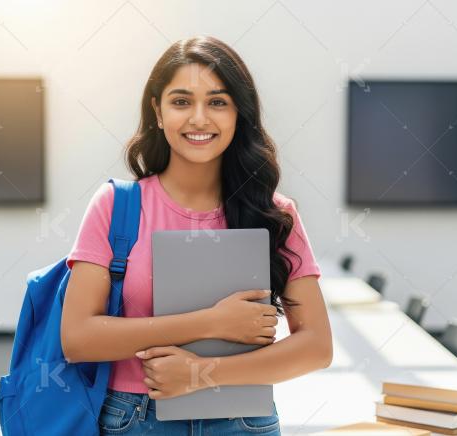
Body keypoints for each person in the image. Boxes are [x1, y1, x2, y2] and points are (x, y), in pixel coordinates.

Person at [61, 35, 332, 435]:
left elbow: (316, 348)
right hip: (136, 419)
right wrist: (211, 322)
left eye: (218, 102)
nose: (199, 119)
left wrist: (201, 374)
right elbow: (78, 338)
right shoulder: (116, 205)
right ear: (157, 110)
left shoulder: (274, 213)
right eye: (182, 101)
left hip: (244, 422)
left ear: (239, 112)